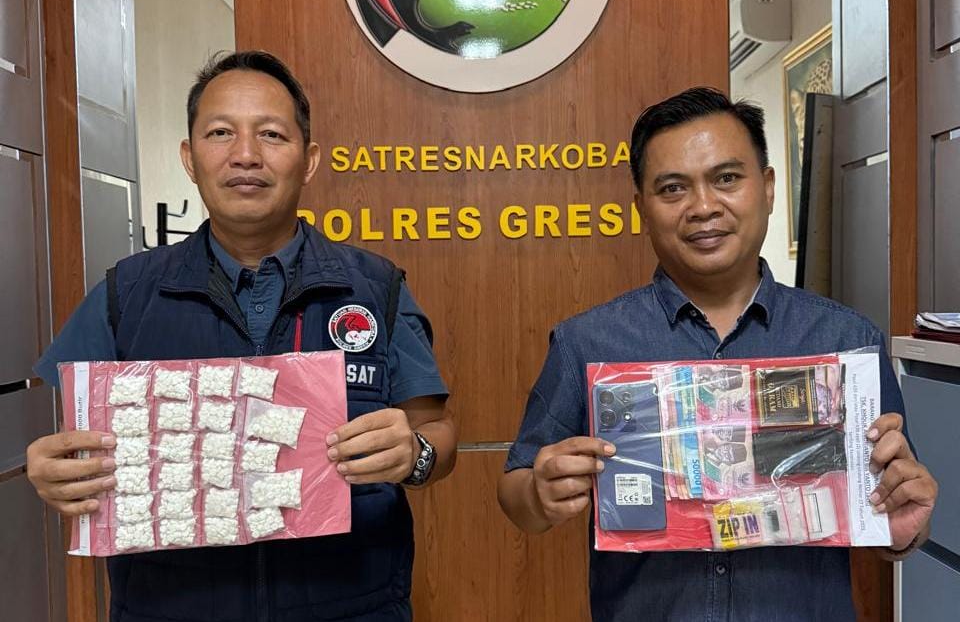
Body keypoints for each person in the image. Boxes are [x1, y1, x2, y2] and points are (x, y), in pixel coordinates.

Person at [27, 50, 456, 622]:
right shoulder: (125, 296)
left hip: (354, 604)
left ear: (309, 161)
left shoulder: (375, 288)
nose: (246, 154)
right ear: (189, 157)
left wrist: (416, 455)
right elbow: (70, 441)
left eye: (272, 134)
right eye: (221, 133)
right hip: (169, 608)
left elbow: (438, 434)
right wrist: (54, 472)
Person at [497, 87, 937, 621]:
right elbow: (516, 490)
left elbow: (893, 508)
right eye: (672, 188)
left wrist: (903, 531)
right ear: (641, 207)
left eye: (726, 178)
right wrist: (538, 496)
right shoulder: (588, 343)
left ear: (768, 188)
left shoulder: (846, 340)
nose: (703, 207)